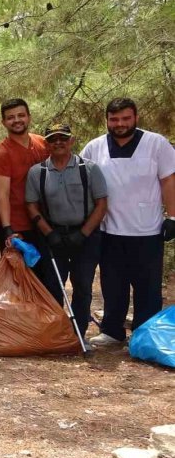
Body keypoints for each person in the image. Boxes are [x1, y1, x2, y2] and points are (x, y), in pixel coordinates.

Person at [81, 98, 175, 346]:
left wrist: (172, 216)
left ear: (135, 117)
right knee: (113, 285)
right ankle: (112, 330)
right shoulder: (94, 147)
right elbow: (83, 183)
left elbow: (168, 180)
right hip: (109, 230)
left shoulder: (156, 144)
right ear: (107, 120)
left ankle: (145, 334)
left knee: (148, 287)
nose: (120, 124)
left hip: (147, 230)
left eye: (125, 118)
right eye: (114, 119)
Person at [25, 124, 107, 338]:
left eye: (63, 138)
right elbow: (32, 206)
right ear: (47, 144)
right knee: (53, 286)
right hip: (53, 237)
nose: (58, 142)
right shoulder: (38, 172)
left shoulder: (89, 168)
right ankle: (56, 334)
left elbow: (101, 204)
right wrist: (48, 232)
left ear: (71, 141)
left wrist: (83, 234)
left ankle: (78, 333)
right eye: (53, 139)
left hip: (85, 237)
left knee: (82, 286)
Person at [0, 98, 58, 297]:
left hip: (45, 223)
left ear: (29, 117)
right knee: (20, 282)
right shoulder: (1, 154)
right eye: (10, 118)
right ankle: (20, 326)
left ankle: (47, 324)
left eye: (20, 115)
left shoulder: (42, 144)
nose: (16, 120)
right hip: (19, 227)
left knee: (48, 279)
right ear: (3, 122)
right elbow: (1, 195)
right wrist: (8, 230)